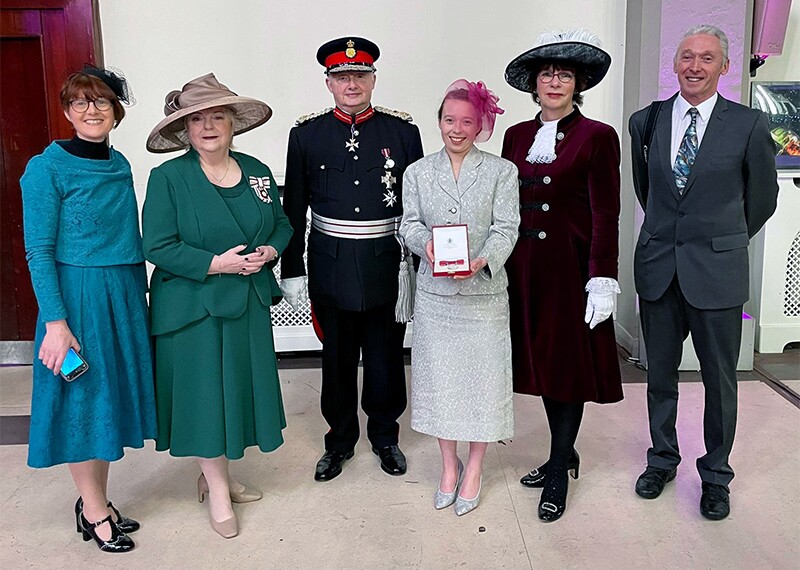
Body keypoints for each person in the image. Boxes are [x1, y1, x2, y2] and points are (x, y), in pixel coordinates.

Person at [629, 25, 779, 520]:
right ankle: (662, 459)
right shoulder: (645, 121)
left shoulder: (750, 125)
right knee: (661, 377)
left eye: (707, 58)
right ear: (675, 63)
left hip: (717, 271)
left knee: (720, 381)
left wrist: (721, 240)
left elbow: (761, 202)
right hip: (658, 268)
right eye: (687, 56)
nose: (695, 66)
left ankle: (716, 476)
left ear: (725, 67)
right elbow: (648, 191)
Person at [143, 73, 292, 538]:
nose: (208, 126)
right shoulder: (168, 177)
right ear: (185, 130)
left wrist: (270, 251)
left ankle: (216, 477)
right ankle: (220, 492)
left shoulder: (256, 171)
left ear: (233, 124)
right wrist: (214, 264)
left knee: (234, 395)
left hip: (245, 303)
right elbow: (157, 244)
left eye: (218, 117)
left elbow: (282, 224)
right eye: (197, 119)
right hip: (192, 307)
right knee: (206, 398)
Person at [20, 66, 156, 552]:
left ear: (116, 112)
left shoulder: (119, 164)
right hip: (77, 298)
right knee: (84, 399)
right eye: (80, 102)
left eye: (101, 101)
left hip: (121, 291)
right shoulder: (45, 168)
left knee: (106, 400)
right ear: (66, 111)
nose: (91, 110)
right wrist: (56, 323)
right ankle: (94, 511)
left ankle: (96, 499)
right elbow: (38, 250)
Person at [280, 37, 424, 482]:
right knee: (337, 358)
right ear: (328, 83)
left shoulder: (403, 133)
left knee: (384, 357)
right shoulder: (306, 135)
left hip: (386, 260)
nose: (352, 83)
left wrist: (420, 266)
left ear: (373, 79)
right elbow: (295, 208)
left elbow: (419, 205)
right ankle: (339, 441)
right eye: (342, 77)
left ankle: (385, 437)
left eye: (360, 75)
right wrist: (292, 266)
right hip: (331, 262)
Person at [502, 29, 623, 522]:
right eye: (547, 73)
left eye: (564, 74)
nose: (554, 81)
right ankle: (563, 451)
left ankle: (557, 466)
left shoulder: (598, 136)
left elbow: (605, 213)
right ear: (534, 83)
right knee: (540, 366)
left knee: (567, 371)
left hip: (571, 274)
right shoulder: (515, 136)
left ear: (578, 83)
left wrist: (602, 276)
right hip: (523, 273)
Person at [399, 80, 518, 516]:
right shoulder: (417, 172)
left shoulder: (501, 171)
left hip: (484, 296)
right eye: (449, 120)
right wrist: (426, 244)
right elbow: (407, 224)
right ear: (439, 123)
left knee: (484, 385)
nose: (457, 128)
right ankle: (449, 465)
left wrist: (484, 259)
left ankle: (476, 467)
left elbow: (508, 227)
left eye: (467, 121)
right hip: (436, 297)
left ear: (481, 124)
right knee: (442, 385)